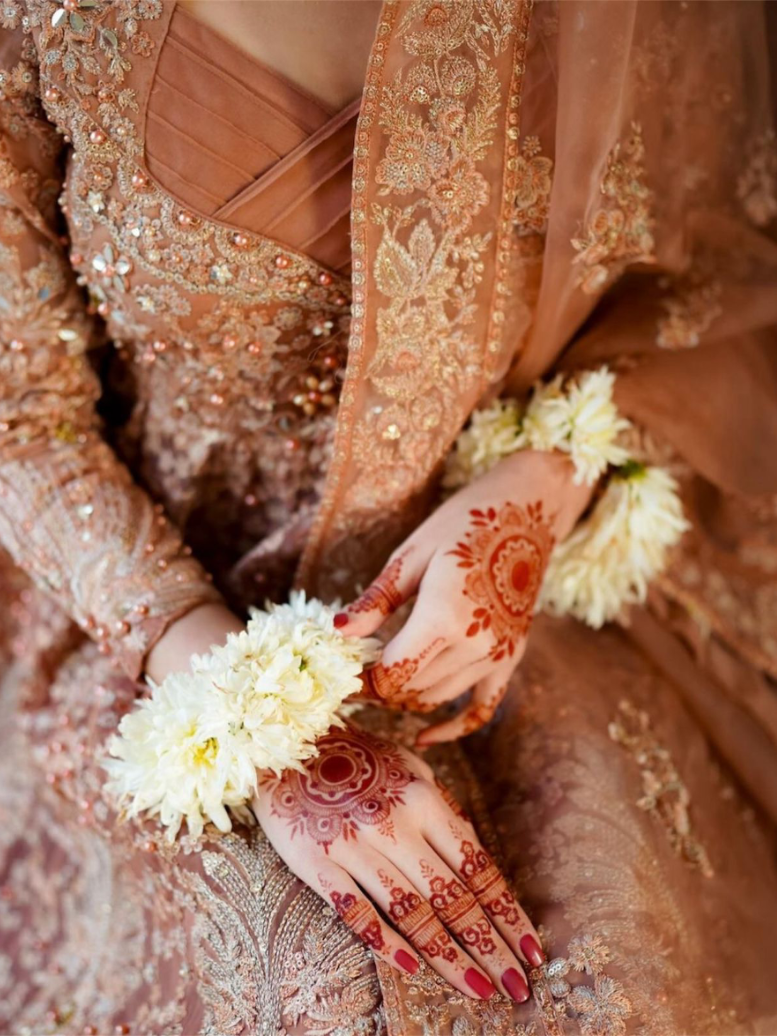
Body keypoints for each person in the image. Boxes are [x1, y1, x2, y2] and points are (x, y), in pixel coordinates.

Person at [1, 1, 777, 1032]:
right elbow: (23, 421)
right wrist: (257, 725)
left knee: (617, 975)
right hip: (161, 618)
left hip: (507, 615)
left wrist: (542, 482)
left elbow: (709, 287)